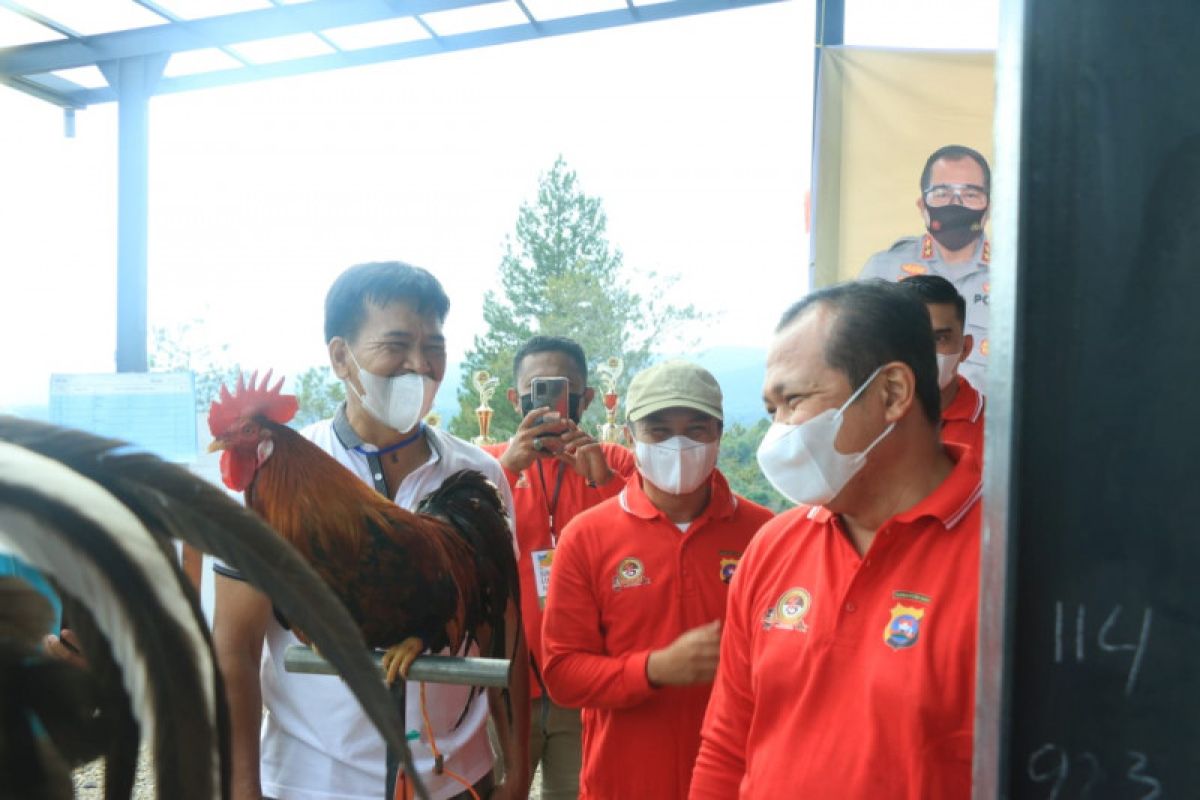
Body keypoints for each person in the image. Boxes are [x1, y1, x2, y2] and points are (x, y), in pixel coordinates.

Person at [212, 261, 529, 800]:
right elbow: (234, 649)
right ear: (341, 356)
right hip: (315, 783)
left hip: (453, 779)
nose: (420, 366)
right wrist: (242, 790)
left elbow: (505, 626)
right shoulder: (265, 489)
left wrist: (518, 770)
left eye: (434, 346)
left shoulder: (479, 474)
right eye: (397, 345)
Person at [691, 281, 982, 800]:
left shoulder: (1005, 555)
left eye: (793, 401)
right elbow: (728, 742)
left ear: (891, 393)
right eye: (770, 411)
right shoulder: (773, 548)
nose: (777, 433)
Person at [541, 360, 773, 800]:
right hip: (622, 782)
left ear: (720, 433)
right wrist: (653, 669)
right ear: (630, 437)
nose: (678, 444)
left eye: (697, 429)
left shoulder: (765, 534)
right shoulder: (586, 537)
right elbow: (562, 674)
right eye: (659, 430)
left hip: (741, 783)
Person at [482, 335, 638, 800]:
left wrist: (605, 484)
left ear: (586, 399)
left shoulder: (615, 464)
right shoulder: (487, 466)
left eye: (563, 389)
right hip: (507, 682)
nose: (550, 402)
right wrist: (507, 471)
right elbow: (455, 541)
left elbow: (648, 553)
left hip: (585, 685)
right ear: (514, 399)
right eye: (535, 390)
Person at [860, 144, 992, 388]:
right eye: (942, 193)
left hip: (987, 424)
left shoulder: (1016, 280)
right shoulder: (883, 272)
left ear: (988, 209)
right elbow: (857, 360)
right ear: (922, 206)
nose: (956, 204)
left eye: (970, 194)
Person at [899, 274, 985, 455]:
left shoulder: (998, 431)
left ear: (965, 348)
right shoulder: (862, 421)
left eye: (939, 338)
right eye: (908, 338)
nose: (923, 351)